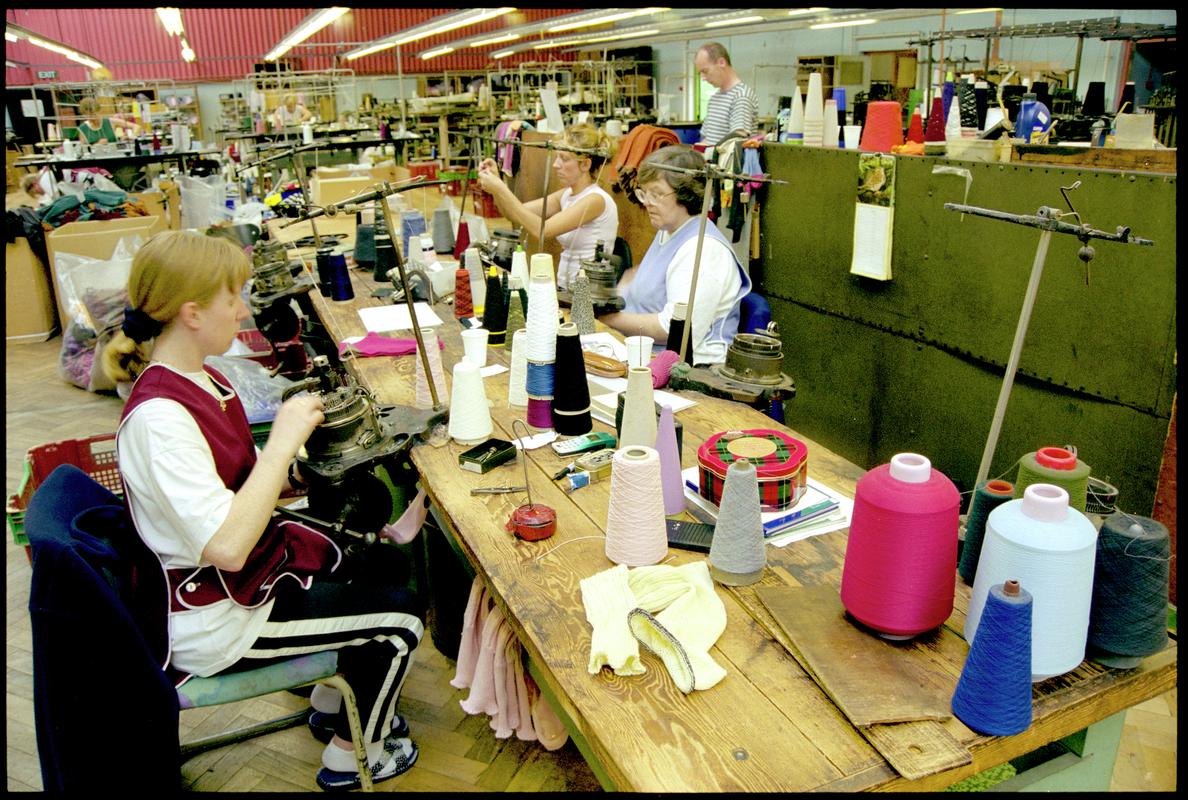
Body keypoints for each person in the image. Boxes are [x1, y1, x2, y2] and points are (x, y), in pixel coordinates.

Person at [102, 231, 424, 791]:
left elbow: (246, 484)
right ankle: (357, 756)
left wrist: (300, 465)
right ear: (193, 311)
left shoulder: (202, 378)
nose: (243, 309)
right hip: (214, 618)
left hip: (245, 578)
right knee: (401, 618)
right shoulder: (160, 421)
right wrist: (281, 443)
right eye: (232, 297)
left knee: (384, 565)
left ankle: (333, 702)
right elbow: (226, 547)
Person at [598, 145, 751, 366]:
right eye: (645, 193)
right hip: (646, 353)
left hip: (692, 368)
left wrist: (611, 319)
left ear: (685, 193)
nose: (647, 202)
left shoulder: (704, 250)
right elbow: (642, 285)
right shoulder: (668, 232)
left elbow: (673, 327)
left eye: (657, 194)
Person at [476, 122, 619, 291]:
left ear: (585, 165)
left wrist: (499, 188)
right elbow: (515, 214)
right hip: (566, 289)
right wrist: (497, 185)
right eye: (557, 157)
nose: (556, 164)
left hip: (588, 295)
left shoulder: (595, 200)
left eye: (564, 159)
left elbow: (543, 231)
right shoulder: (566, 195)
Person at [694, 42, 759, 145]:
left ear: (721, 62)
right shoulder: (715, 98)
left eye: (705, 71)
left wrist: (712, 153)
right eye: (700, 73)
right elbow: (708, 139)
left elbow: (737, 142)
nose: (703, 78)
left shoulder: (741, 96)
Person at [64, 96, 138, 144]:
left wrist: (131, 136)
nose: (92, 118)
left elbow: (136, 126)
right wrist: (97, 145)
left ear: (99, 111)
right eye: (88, 116)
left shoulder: (110, 121)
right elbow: (84, 150)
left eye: (94, 114)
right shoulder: (83, 129)